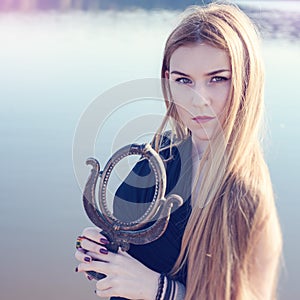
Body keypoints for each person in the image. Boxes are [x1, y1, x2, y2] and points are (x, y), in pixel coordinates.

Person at [74, 2, 282, 299]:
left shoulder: (248, 194)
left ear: (247, 81)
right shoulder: (156, 157)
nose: (198, 100)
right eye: (183, 80)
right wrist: (97, 248)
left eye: (217, 79)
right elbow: (121, 248)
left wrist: (162, 291)